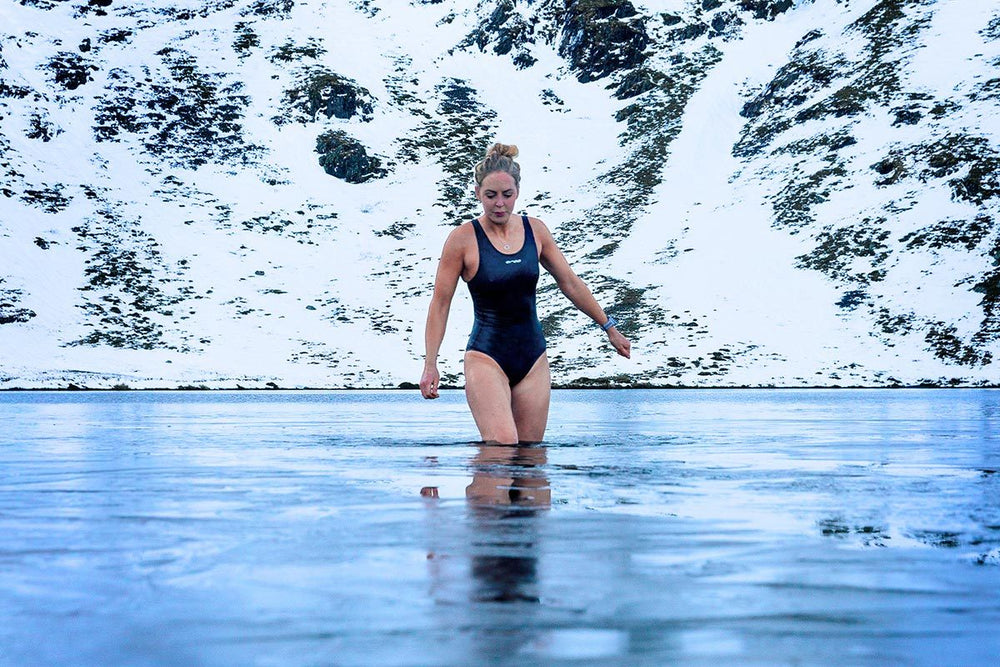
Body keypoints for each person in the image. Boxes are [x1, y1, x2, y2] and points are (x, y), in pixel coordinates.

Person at [419, 143, 631, 444]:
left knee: (531, 459)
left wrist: (609, 327)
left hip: (533, 357)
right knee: (502, 448)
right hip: (486, 356)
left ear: (517, 191)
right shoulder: (462, 240)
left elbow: (569, 282)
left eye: (507, 195)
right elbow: (440, 304)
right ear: (478, 193)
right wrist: (430, 364)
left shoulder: (536, 231)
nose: (499, 204)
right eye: (491, 196)